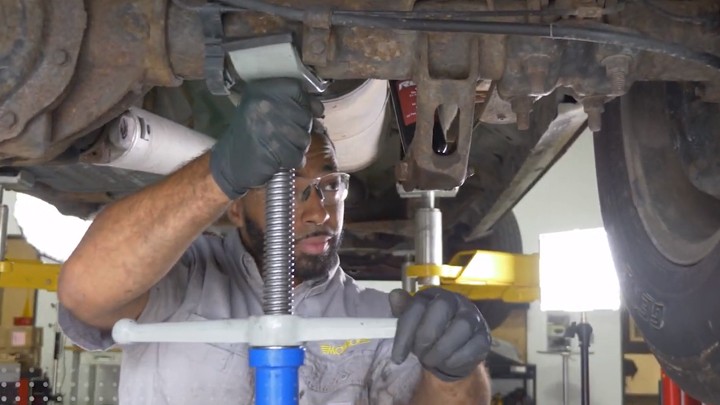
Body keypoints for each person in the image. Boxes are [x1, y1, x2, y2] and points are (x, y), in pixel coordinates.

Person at [57, 78, 493, 405]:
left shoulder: (376, 319)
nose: (318, 212)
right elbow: (87, 290)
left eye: (330, 186)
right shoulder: (181, 280)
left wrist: (453, 373)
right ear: (233, 206)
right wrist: (219, 171)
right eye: (287, 187)